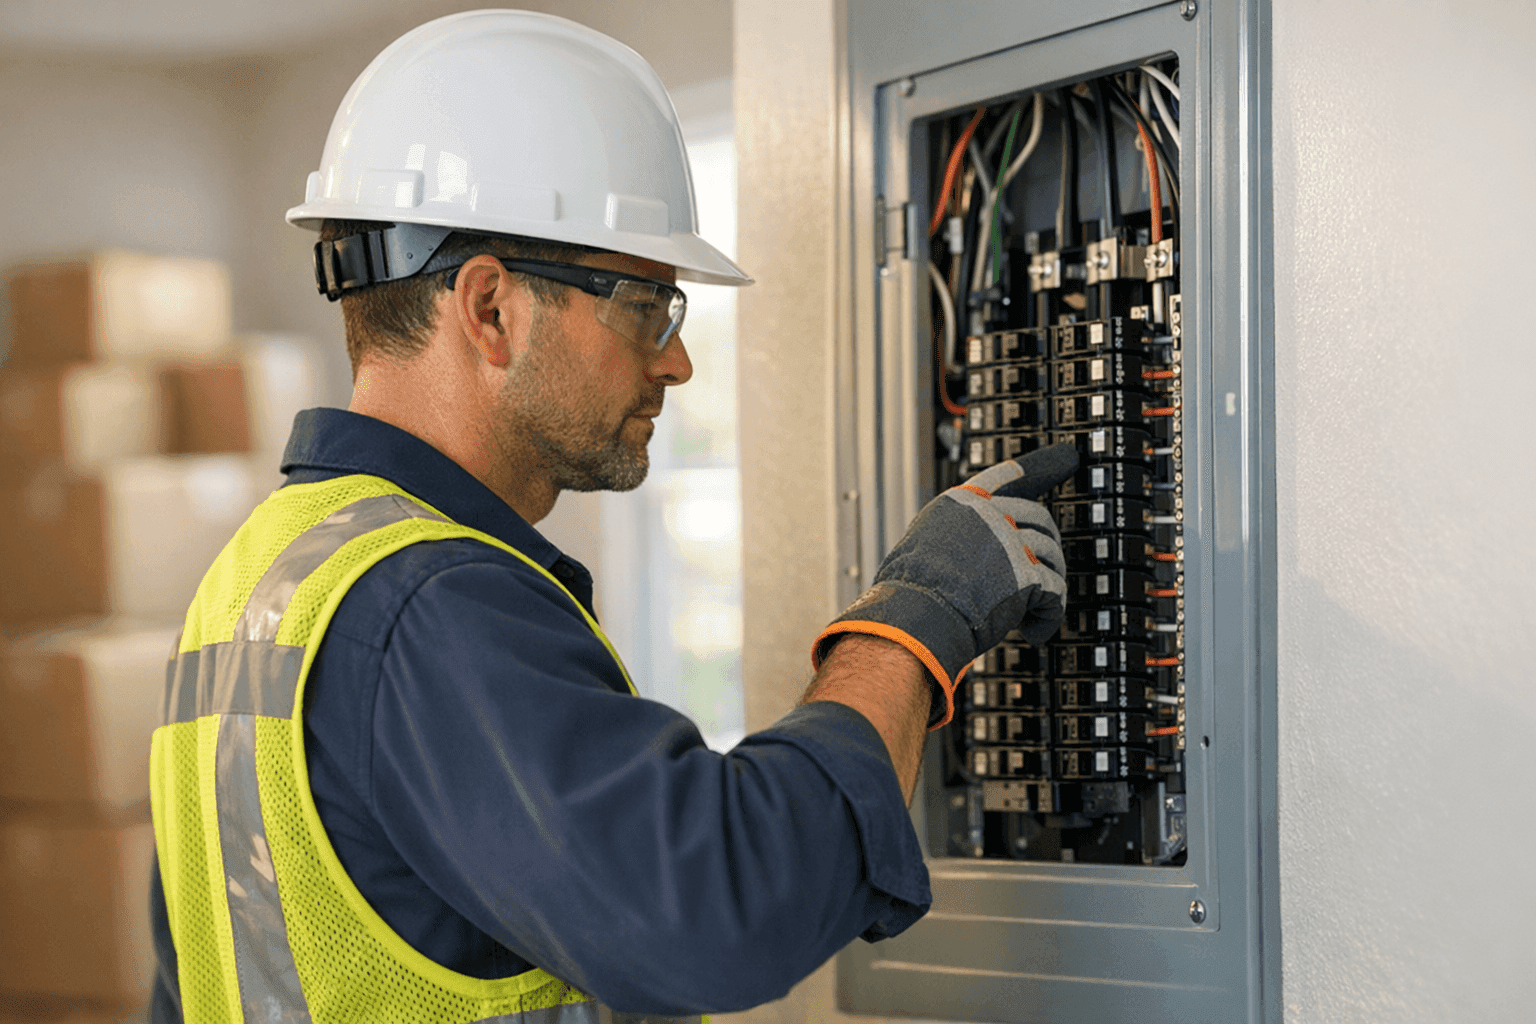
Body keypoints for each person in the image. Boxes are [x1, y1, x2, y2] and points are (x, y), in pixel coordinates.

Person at [146, 10, 1075, 1023]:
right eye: (645, 304)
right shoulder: (424, 600)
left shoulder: (258, 580)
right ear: (491, 307)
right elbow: (712, 910)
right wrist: (914, 621)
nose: (675, 359)